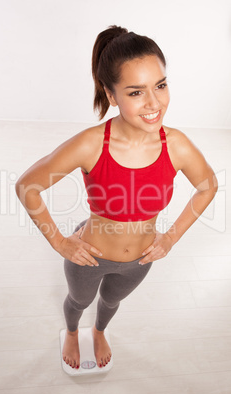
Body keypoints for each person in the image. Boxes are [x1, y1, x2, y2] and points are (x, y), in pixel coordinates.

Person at [15, 25, 218, 371]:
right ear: (111, 96)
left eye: (161, 85)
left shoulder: (177, 145)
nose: (154, 103)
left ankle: (99, 331)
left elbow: (208, 186)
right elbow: (27, 186)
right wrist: (61, 244)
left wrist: (170, 237)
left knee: (111, 300)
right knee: (79, 300)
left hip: (140, 260)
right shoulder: (92, 144)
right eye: (136, 92)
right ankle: (72, 330)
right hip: (90, 256)